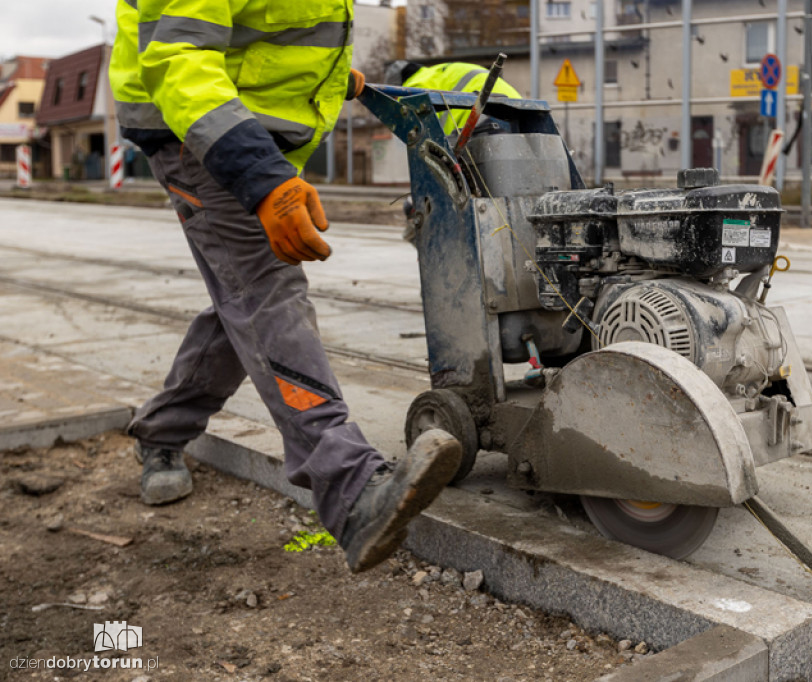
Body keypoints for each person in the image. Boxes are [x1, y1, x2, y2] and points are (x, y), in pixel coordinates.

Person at [108, 0, 461, 573]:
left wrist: (331, 77)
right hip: (202, 137)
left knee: (242, 303)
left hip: (252, 137)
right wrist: (260, 177)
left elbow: (271, 27)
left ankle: (161, 432)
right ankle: (351, 493)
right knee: (269, 295)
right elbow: (178, 57)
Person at [384, 60, 522, 135]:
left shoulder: (411, 87)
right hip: (519, 108)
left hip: (483, 116)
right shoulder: (436, 72)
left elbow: (423, 136)